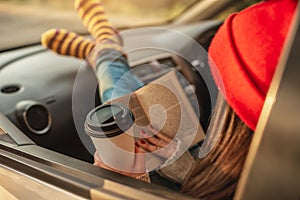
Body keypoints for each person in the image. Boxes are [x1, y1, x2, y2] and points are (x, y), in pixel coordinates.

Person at [41, 0, 298, 199]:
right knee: (137, 111)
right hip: (185, 163)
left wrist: (126, 186)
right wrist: (175, 155)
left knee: (124, 105)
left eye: (225, 94)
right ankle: (105, 51)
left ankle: (105, 49)